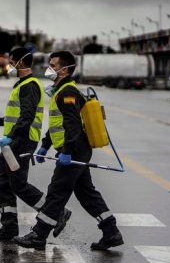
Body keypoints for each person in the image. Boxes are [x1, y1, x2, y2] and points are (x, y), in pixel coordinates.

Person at [14, 51, 124, 251]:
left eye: (54, 65)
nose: (50, 69)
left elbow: (72, 126)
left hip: (74, 150)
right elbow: (59, 123)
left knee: (57, 191)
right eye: (50, 64)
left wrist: (66, 151)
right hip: (75, 149)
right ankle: (111, 232)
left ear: (65, 69)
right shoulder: (61, 90)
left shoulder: (67, 93)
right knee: (87, 194)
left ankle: (39, 235)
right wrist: (46, 144)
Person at [0, 47, 70, 241]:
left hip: (22, 140)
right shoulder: (22, 84)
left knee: (19, 185)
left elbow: (27, 117)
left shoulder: (30, 85)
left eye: (11, 61)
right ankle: (9, 227)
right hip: (15, 140)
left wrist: (11, 137)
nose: (9, 65)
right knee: (3, 184)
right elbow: (18, 117)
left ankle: (56, 212)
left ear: (20, 62)